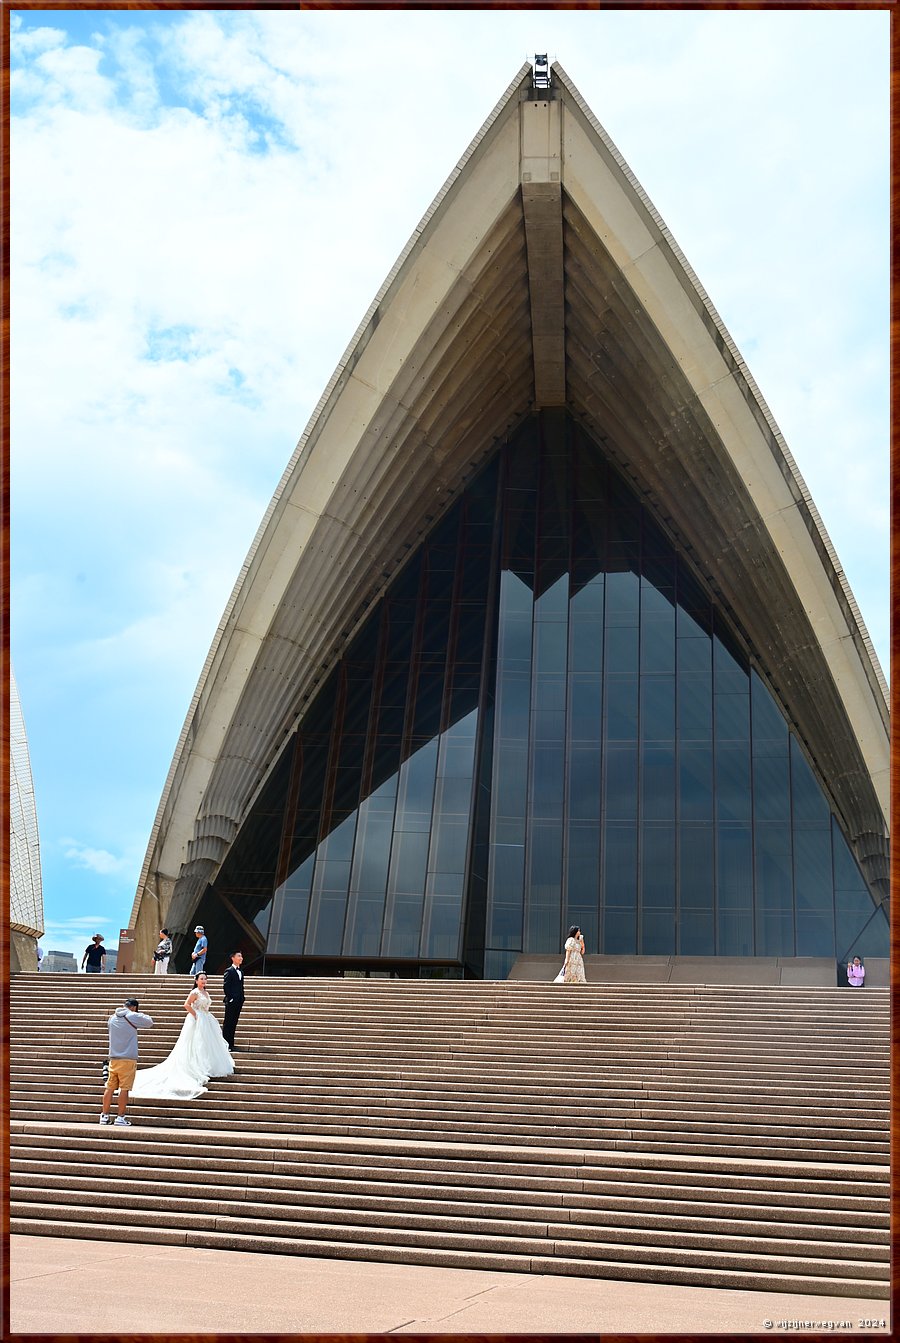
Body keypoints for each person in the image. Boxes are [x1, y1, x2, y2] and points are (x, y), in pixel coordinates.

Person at [130, 971, 234, 1100]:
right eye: (201, 979)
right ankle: (197, 1066)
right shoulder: (195, 992)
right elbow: (186, 1004)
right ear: (196, 981)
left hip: (206, 1019)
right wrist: (196, 1015)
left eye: (205, 979)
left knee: (207, 1043)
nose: (203, 981)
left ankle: (207, 1065)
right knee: (195, 1042)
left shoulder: (206, 993)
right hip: (197, 1018)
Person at [100, 996, 154, 1126]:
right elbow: (149, 1021)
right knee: (124, 1089)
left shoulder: (112, 1018)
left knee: (110, 1087)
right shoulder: (132, 1016)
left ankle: (104, 1116)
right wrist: (135, 1013)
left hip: (113, 1058)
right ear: (134, 1007)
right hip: (128, 1058)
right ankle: (120, 1117)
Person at [222, 951, 245, 1051]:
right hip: (231, 1001)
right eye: (239, 956)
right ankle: (225, 1044)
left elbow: (241, 986)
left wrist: (242, 998)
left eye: (241, 956)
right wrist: (230, 998)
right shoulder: (229, 971)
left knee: (234, 1022)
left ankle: (231, 1044)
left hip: (239, 1001)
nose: (241, 958)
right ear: (233, 958)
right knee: (228, 1023)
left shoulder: (241, 971)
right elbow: (226, 986)